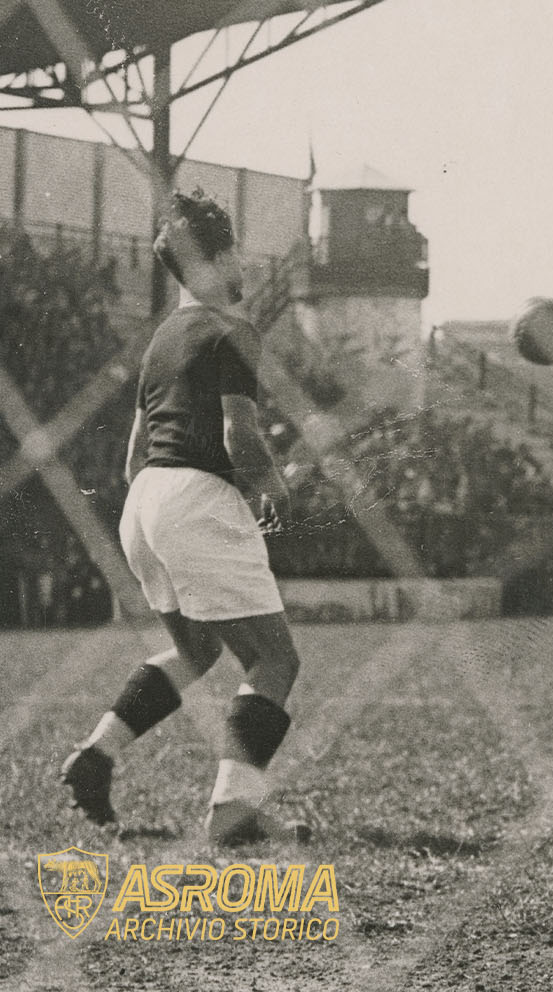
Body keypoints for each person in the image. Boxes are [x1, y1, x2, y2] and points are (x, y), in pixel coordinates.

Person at [59, 190, 306, 846]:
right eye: (235, 255)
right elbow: (237, 436)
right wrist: (273, 487)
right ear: (214, 258)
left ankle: (97, 754)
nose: (244, 268)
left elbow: (134, 454)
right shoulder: (234, 329)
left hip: (144, 502)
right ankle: (233, 808)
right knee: (275, 660)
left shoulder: (161, 340)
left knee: (195, 649)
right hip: (195, 499)